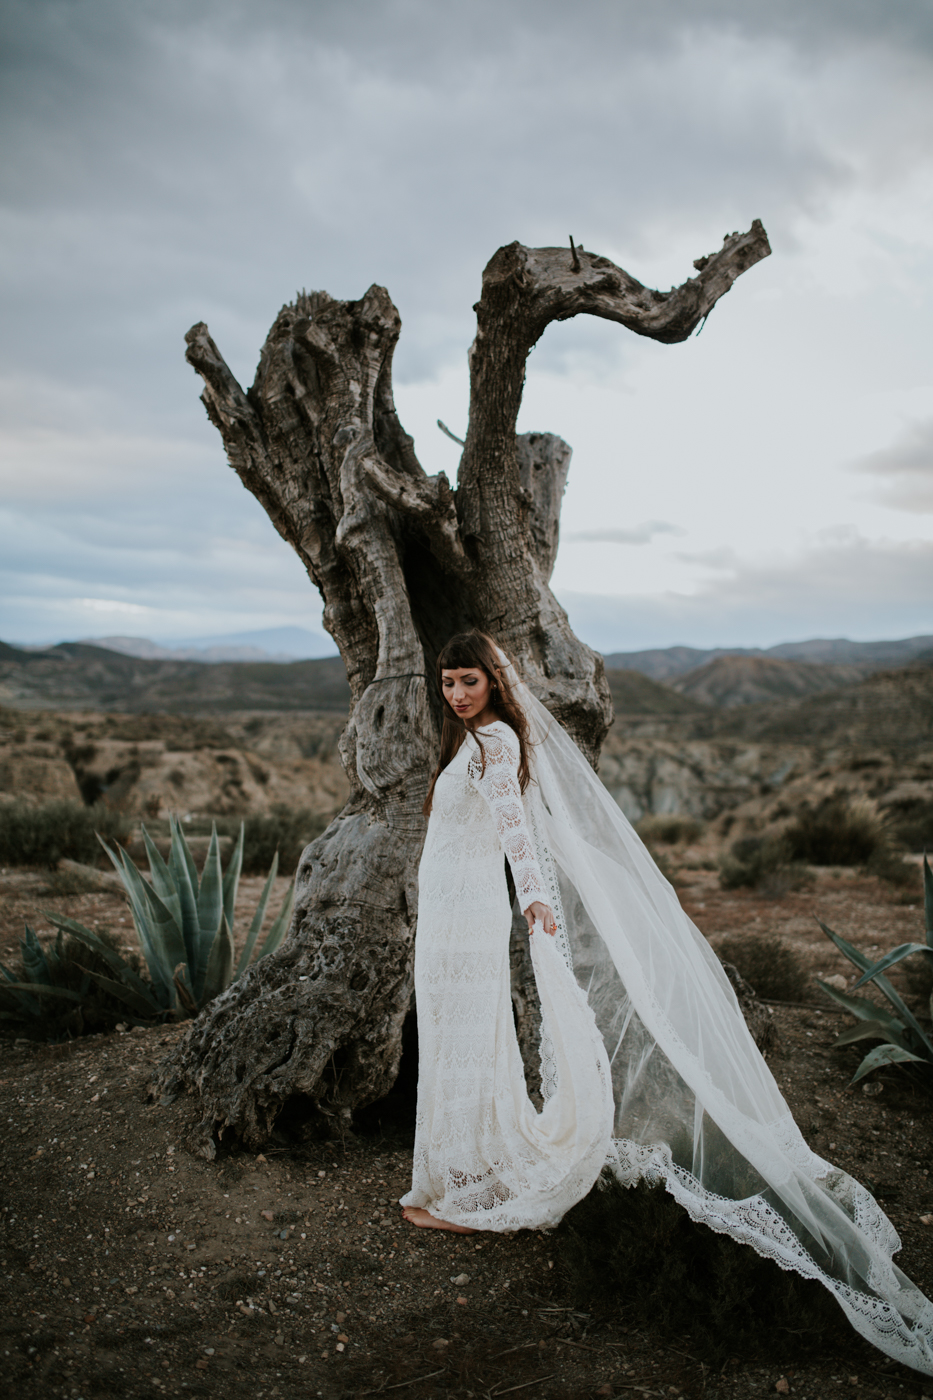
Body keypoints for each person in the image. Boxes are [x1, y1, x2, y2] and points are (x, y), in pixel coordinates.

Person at [400, 629, 933, 1374]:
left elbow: (518, 831)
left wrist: (535, 904)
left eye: (467, 681)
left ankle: (461, 1184)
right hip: (453, 912)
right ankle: (458, 1171)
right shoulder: (475, 739)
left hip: (476, 915)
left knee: (467, 1037)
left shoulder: (495, 742)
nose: (456, 695)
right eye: (447, 683)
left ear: (493, 684)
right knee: (456, 1039)